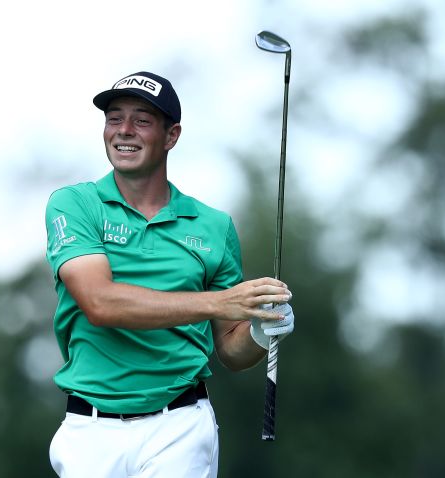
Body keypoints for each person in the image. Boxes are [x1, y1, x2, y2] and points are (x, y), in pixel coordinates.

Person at [43, 71, 296, 478]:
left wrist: (260, 332)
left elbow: (229, 350)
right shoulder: (74, 204)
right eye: (114, 118)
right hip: (89, 431)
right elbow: (99, 302)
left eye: (142, 120)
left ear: (171, 135)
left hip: (179, 425)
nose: (124, 131)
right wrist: (219, 301)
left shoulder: (213, 227)